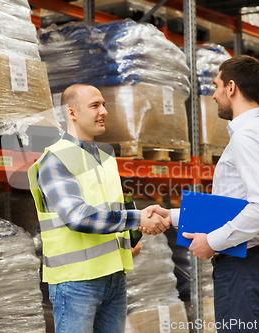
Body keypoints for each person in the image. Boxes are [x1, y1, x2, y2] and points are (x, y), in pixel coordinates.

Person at [148, 55, 259, 332]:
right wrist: (174, 215)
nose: (213, 95)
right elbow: (234, 205)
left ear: (231, 87)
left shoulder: (247, 136)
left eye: (216, 86)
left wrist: (213, 241)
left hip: (243, 269)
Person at [28, 83, 171, 333]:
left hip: (114, 277)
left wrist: (127, 240)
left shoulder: (105, 158)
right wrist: (137, 219)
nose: (104, 111)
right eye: (95, 105)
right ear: (71, 112)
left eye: (104, 104)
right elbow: (77, 216)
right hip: (76, 283)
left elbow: (109, 209)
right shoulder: (55, 160)